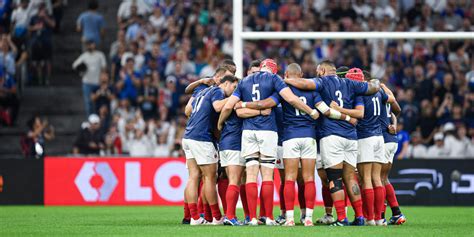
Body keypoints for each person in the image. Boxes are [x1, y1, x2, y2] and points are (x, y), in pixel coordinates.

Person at [217, 59, 319, 226]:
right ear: (274, 70)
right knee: (267, 176)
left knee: (250, 175)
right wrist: (310, 111)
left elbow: (229, 107)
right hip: (268, 131)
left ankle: (252, 218)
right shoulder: (274, 80)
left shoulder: (244, 81)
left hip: (248, 132)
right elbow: (291, 99)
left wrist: (220, 123)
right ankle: (269, 217)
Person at [283, 60, 380, 226]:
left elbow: (303, 83)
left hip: (331, 135)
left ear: (321, 70)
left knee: (334, 178)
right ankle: (360, 217)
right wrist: (379, 83)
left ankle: (341, 218)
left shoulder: (322, 82)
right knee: (351, 178)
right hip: (351, 137)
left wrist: (284, 81)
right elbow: (373, 87)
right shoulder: (351, 83)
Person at [182, 75, 238, 226]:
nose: (234, 91)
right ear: (226, 83)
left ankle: (194, 217)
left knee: (193, 177)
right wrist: (236, 98)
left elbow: (189, 109)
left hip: (188, 135)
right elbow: (218, 107)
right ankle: (217, 217)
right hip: (201, 138)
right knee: (209, 178)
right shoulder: (218, 92)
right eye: (234, 88)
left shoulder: (202, 91)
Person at [73, 40, 107, 115]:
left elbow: (104, 67)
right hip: (87, 82)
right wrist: (81, 69)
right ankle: (90, 121)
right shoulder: (84, 55)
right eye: (88, 45)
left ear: (94, 45)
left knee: (99, 102)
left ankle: (98, 120)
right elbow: (74, 65)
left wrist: (103, 80)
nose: (89, 46)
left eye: (91, 44)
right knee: (88, 103)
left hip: (97, 82)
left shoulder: (100, 55)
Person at [29, 4, 55, 85]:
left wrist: (45, 18)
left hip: (46, 41)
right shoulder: (34, 18)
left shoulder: (49, 17)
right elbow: (29, 28)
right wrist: (35, 27)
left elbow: (53, 25)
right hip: (36, 41)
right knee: (37, 61)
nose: (42, 12)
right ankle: (39, 78)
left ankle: (48, 79)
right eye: (41, 10)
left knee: (48, 61)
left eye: (44, 10)